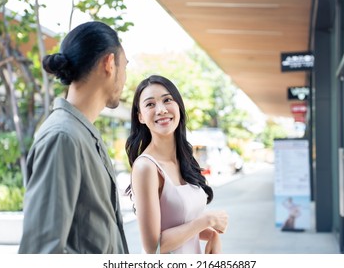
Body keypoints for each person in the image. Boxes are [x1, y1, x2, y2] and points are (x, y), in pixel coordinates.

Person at [18, 21, 129, 254]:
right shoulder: (63, 137)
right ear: (109, 63)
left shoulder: (82, 134)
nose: (126, 78)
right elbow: (40, 252)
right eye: (125, 66)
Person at [125, 75, 228, 254]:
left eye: (167, 100)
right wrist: (207, 220)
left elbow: (179, 223)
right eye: (150, 104)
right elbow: (153, 247)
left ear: (179, 106)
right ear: (140, 117)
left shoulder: (184, 160)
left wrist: (211, 235)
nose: (161, 110)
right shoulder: (146, 167)